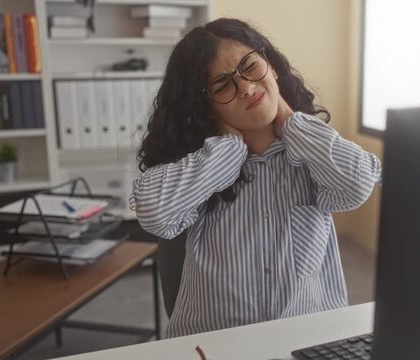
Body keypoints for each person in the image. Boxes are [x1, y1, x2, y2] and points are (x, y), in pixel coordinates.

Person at [129, 18, 381, 338]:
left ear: (272, 67)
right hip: (215, 345)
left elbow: (358, 183)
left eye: (251, 66)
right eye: (222, 86)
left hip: (307, 339)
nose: (246, 87)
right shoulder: (200, 169)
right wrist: (226, 152)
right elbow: (153, 213)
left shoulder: (312, 153)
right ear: (207, 108)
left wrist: (292, 122)